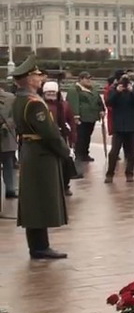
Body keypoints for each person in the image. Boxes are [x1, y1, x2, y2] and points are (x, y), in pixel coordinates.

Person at [11, 56, 72, 259]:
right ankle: (40, 247)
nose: (40, 78)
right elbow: (50, 133)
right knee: (40, 201)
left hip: (31, 151)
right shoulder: (34, 104)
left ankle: (38, 246)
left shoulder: (19, 100)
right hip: (41, 154)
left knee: (33, 201)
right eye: (37, 75)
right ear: (29, 79)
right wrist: (65, 152)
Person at [105, 73, 134, 183]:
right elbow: (109, 103)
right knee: (114, 152)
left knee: (131, 151)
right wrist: (117, 92)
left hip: (132, 126)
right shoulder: (115, 90)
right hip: (119, 126)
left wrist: (132, 92)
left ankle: (130, 173)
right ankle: (109, 173)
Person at [66, 71, 104, 162]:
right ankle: (79, 154)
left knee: (87, 136)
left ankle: (85, 153)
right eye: (87, 78)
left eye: (90, 78)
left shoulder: (93, 89)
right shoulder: (74, 89)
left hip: (92, 117)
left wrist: (102, 109)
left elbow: (99, 100)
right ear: (81, 79)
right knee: (80, 137)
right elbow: (73, 102)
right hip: (82, 117)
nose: (89, 80)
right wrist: (75, 115)